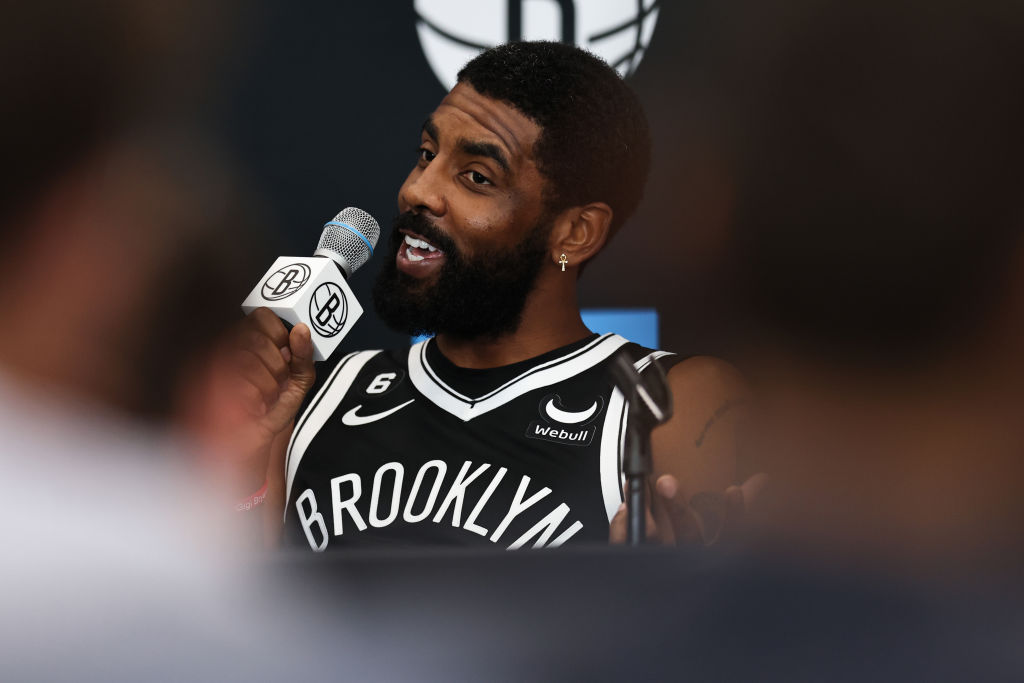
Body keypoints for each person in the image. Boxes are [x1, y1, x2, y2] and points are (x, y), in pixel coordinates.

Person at [230, 41, 751, 551]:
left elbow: (728, 625)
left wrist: (656, 598)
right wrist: (241, 467)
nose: (418, 190)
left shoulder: (663, 402)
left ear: (575, 233)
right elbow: (229, 613)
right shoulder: (322, 393)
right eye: (426, 155)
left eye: (476, 177)